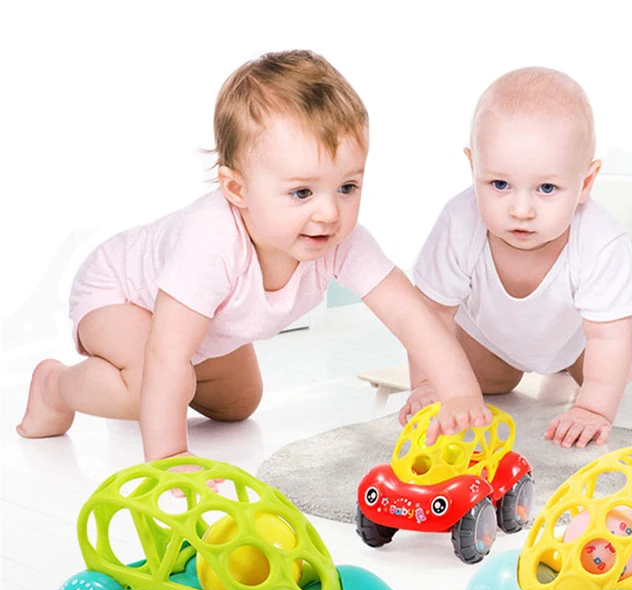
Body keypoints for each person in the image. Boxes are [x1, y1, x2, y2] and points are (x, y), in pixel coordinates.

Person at [17, 50, 490, 460]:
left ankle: (145, 392)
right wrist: (170, 457)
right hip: (120, 294)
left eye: (347, 187)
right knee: (150, 381)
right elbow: (167, 350)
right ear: (237, 190)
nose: (329, 213)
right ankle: (57, 387)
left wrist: (459, 393)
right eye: (302, 192)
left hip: (198, 325)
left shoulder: (342, 241)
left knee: (239, 403)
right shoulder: (210, 241)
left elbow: (411, 315)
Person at [403, 67, 632, 448]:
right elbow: (430, 314)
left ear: (586, 183)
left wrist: (593, 409)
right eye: (500, 184)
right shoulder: (459, 222)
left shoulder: (600, 240)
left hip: (579, 338)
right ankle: (497, 367)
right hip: (492, 338)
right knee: (482, 381)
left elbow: (608, 335)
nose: (521, 210)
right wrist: (428, 384)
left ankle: (574, 374)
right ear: (473, 168)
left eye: (546, 188)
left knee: (612, 370)